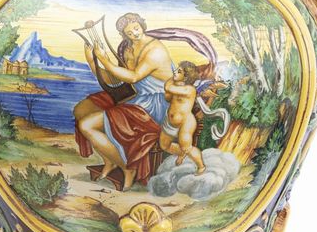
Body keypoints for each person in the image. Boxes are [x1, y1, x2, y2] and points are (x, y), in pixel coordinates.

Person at [74, 13, 216, 191]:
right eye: (129, 32)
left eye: (136, 28)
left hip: (157, 104)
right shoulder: (128, 48)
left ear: (142, 25)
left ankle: (127, 168)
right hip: (139, 98)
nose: (134, 33)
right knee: (81, 110)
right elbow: (114, 80)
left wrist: (104, 59)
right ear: (124, 34)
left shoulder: (155, 50)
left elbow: (134, 77)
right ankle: (110, 160)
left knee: (87, 125)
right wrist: (92, 61)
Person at [160, 61, 205, 172]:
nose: (175, 72)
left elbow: (168, 87)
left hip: (186, 123)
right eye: (176, 70)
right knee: (164, 145)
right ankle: (181, 153)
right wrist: (169, 93)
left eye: (179, 71)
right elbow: (168, 98)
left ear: (186, 77)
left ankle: (201, 166)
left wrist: (171, 80)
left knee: (187, 147)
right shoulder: (176, 86)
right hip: (170, 121)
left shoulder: (189, 89)